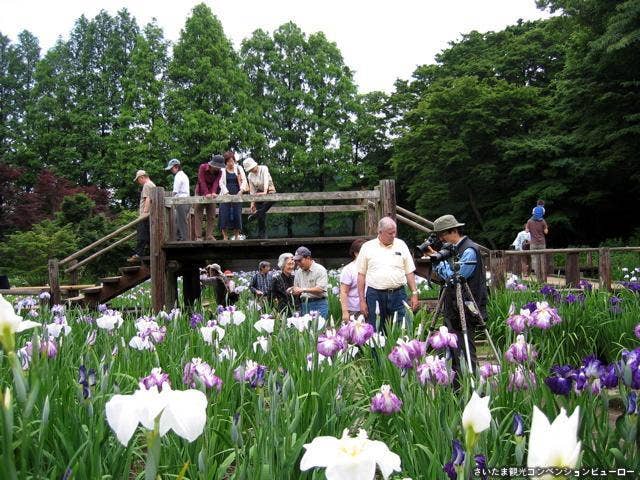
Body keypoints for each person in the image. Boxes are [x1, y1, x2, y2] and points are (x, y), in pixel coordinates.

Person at [425, 214, 487, 377]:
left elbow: (456, 278)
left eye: (442, 235)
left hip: (465, 306)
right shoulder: (453, 249)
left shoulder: (469, 250)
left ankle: (472, 385)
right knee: (453, 351)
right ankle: (457, 386)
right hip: (453, 306)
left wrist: (438, 262)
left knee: (466, 350)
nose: (441, 239)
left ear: (452, 231)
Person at [357, 217, 419, 330]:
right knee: (376, 331)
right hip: (375, 294)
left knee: (402, 328)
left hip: (398, 294)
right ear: (380, 232)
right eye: (390, 233)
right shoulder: (367, 247)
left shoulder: (401, 245)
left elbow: (409, 271)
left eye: (395, 232)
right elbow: (361, 275)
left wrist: (414, 293)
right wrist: (362, 301)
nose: (393, 235)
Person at [291, 246, 329, 319]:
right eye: (296, 261)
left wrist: (303, 290)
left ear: (308, 258)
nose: (298, 263)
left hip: (319, 303)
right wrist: (292, 290)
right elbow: (297, 288)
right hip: (304, 304)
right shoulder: (298, 272)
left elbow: (320, 289)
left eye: (300, 260)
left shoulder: (320, 269)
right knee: (306, 330)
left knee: (319, 329)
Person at [243, 157, 276, 239]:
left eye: (252, 168)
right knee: (261, 216)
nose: (252, 170)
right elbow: (252, 190)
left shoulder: (264, 168)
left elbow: (266, 180)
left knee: (272, 200)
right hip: (258, 194)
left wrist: (265, 192)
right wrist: (252, 203)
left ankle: (257, 214)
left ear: (255, 165)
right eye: (250, 169)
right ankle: (262, 235)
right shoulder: (250, 175)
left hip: (269, 190)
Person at [194, 154, 224, 241]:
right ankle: (198, 236)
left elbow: (216, 183)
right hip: (200, 191)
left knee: (211, 215)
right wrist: (206, 193)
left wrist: (214, 192)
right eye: (217, 167)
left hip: (211, 193)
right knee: (198, 213)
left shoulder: (220, 172)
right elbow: (201, 180)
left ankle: (209, 235)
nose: (219, 168)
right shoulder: (203, 167)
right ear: (213, 165)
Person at [218, 151, 247, 240]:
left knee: (237, 213)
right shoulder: (222, 170)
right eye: (229, 161)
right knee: (224, 213)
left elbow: (244, 180)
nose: (231, 163)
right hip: (225, 193)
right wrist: (226, 193)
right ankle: (225, 236)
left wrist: (241, 191)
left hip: (237, 192)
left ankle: (237, 236)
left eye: (232, 161)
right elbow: (220, 182)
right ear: (225, 162)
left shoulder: (239, 168)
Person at [128, 170, 156, 262]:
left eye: (138, 180)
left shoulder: (147, 185)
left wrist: (144, 213)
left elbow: (147, 199)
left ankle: (138, 253)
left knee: (141, 235)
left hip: (145, 215)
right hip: (150, 215)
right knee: (148, 236)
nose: (138, 182)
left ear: (142, 177)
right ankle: (153, 251)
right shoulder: (152, 184)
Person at [340, 238, 367, 322]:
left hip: (370, 306)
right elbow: (343, 292)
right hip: (354, 309)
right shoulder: (349, 269)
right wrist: (345, 312)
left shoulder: (372, 267)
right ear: (355, 253)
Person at [164, 158, 190, 241]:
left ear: (177, 167)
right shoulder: (184, 175)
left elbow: (175, 191)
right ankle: (180, 238)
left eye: (172, 168)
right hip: (186, 201)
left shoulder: (178, 176)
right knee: (178, 220)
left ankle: (184, 239)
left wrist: (169, 200)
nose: (171, 170)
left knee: (181, 221)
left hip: (181, 201)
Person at [526, 207, 549, 275]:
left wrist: (529, 229)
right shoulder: (543, 221)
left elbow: (526, 230)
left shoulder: (529, 221)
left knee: (534, 260)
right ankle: (543, 273)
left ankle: (537, 274)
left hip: (533, 243)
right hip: (542, 243)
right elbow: (546, 232)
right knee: (542, 259)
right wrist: (545, 229)